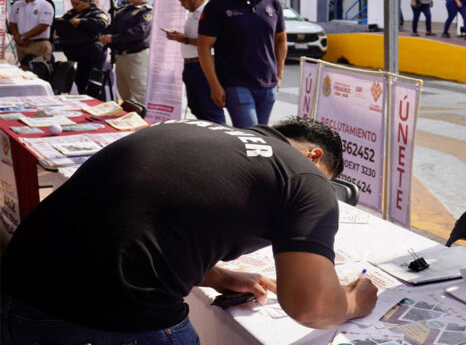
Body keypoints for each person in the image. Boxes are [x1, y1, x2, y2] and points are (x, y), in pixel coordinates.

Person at [0, 116, 378, 343]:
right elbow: (311, 307)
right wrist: (350, 304)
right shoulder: (304, 176)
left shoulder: (190, 129)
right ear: (314, 157)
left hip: (16, 293)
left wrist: (215, 274)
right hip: (109, 319)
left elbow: (131, 220)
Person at [198, 0, 288, 128]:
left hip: (268, 85)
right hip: (236, 85)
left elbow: (281, 40)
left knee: (263, 137)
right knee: (250, 136)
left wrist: (279, 74)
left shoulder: (272, 2)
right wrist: (214, 85)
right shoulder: (217, 5)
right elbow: (203, 47)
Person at [166, 0, 225, 124]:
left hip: (202, 66)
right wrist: (180, 37)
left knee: (210, 108)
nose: (182, 5)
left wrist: (184, 39)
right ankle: (207, 136)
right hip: (190, 66)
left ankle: (220, 138)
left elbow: (209, 42)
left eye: (183, 1)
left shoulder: (209, 12)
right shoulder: (194, 13)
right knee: (196, 106)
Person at [99, 0, 153, 105]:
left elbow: (139, 32)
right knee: (124, 93)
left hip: (136, 56)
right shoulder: (123, 10)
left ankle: (143, 122)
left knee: (138, 93)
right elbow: (113, 28)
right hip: (121, 55)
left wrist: (113, 38)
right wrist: (104, 36)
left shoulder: (146, 11)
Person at [54, 0, 109, 95]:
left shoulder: (96, 13)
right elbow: (60, 25)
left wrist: (81, 22)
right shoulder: (72, 13)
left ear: (87, 1)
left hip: (90, 55)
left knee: (92, 86)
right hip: (74, 54)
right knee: (79, 83)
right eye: (73, 4)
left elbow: (102, 24)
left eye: (77, 4)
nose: (75, 6)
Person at [8, 0, 54, 68]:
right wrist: (17, 37)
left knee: (39, 74)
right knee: (24, 74)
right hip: (21, 45)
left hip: (38, 45)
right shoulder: (17, 5)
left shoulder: (45, 5)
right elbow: (13, 23)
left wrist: (23, 37)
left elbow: (43, 26)